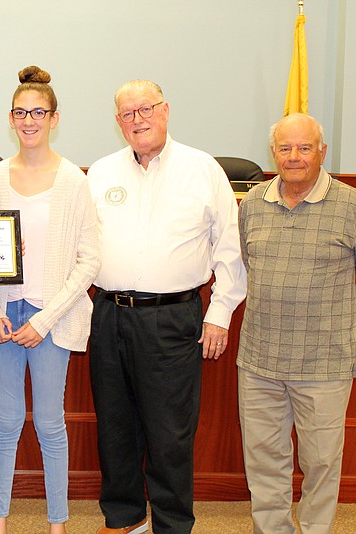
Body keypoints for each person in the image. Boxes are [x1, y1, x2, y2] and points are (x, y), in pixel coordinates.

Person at [86, 80, 247, 534]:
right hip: (109, 313)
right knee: (115, 427)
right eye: (127, 113)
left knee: (169, 433)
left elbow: (230, 247)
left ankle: (173, 526)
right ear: (118, 123)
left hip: (173, 317)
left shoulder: (202, 169)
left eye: (146, 109)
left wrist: (219, 314)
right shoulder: (100, 172)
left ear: (166, 110)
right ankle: (124, 520)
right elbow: (80, 246)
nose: (138, 119)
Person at [237, 113, 356, 534]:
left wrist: (342, 315)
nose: (294, 157)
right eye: (285, 148)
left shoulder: (353, 205)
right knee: (264, 460)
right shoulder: (252, 203)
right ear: (273, 153)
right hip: (259, 362)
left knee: (322, 462)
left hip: (324, 364)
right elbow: (248, 266)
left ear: (322, 152)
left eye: (304, 148)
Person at [0, 66, 101, 534]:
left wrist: (45, 320)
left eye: (38, 113)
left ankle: (57, 525)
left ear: (54, 118)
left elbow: (89, 260)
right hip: (5, 316)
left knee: (50, 424)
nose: (29, 121)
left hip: (53, 315)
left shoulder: (73, 181)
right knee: (5, 421)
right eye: (21, 112)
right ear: (11, 118)